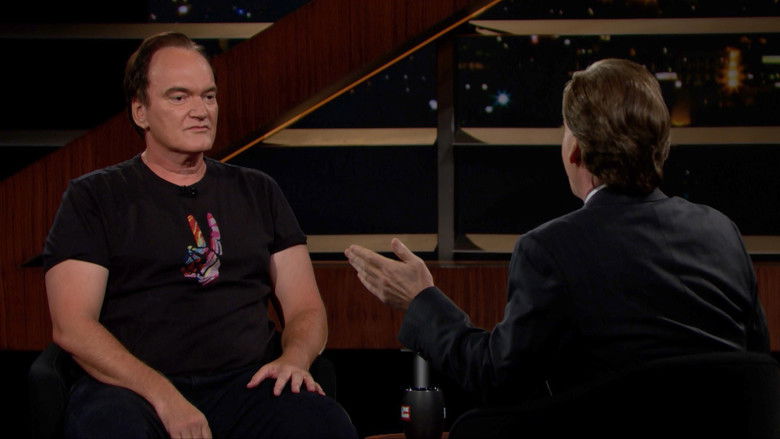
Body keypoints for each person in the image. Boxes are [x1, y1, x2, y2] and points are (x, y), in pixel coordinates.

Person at [345, 58, 769, 403]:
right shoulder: (722, 234)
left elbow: (497, 377)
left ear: (576, 151)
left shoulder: (549, 251)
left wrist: (421, 299)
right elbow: (756, 363)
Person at [43, 32, 357, 439]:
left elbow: (305, 308)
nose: (200, 111)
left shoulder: (258, 191)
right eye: (179, 97)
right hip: (133, 389)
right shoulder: (94, 197)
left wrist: (294, 359)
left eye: (208, 97)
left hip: (246, 384)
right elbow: (72, 326)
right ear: (140, 111)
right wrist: (164, 396)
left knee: (323, 425)